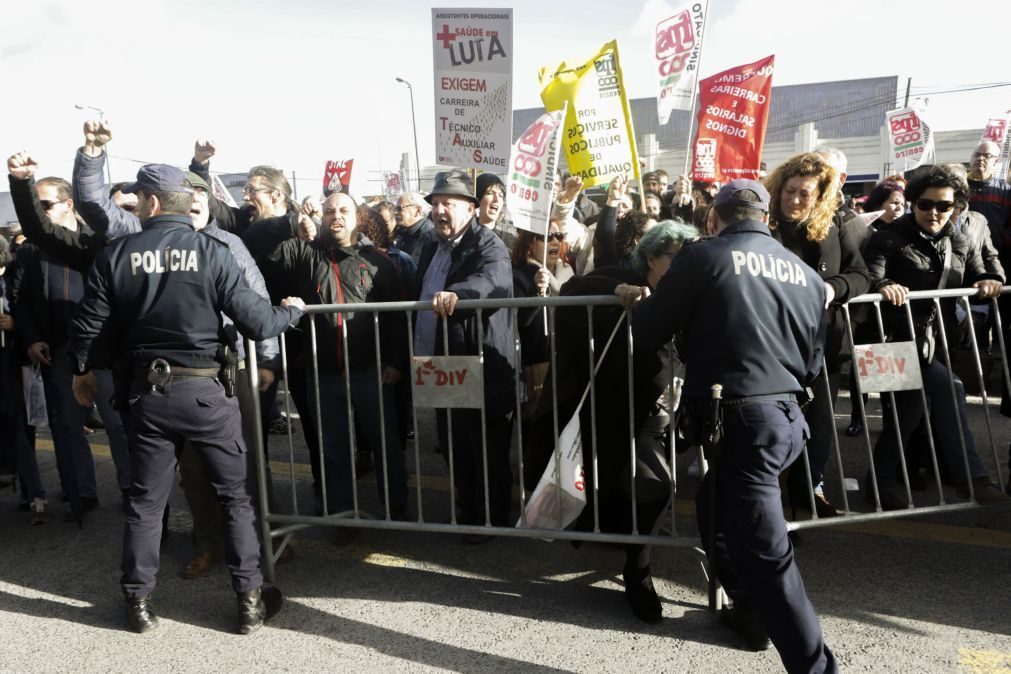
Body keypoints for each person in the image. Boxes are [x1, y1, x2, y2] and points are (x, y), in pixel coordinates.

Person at [63, 162, 305, 634]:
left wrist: (82, 373)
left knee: (145, 503)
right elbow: (257, 322)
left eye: (137, 199)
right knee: (235, 498)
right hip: (206, 394)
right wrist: (289, 314)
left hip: (145, 396)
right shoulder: (211, 251)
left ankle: (137, 603)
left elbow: (87, 327)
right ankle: (250, 601)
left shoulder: (119, 254)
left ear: (152, 203)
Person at [629, 180, 837, 672]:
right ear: (765, 217)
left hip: (746, 425)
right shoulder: (805, 274)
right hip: (784, 418)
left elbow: (649, 329)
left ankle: (815, 667)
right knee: (714, 510)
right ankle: (749, 609)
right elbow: (813, 361)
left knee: (770, 559)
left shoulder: (705, 257)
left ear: (714, 217)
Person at [244, 191, 410, 537]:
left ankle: (397, 507)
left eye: (344, 210)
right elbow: (258, 243)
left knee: (385, 441)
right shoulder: (303, 253)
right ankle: (341, 518)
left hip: (372, 370)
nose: (336, 215)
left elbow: (397, 318)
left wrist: (395, 361)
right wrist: (291, 221)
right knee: (333, 448)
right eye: (329, 210)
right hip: (324, 373)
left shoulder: (378, 261)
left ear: (357, 217)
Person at [862, 164, 1008, 510]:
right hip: (890, 342)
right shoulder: (889, 237)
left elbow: (984, 266)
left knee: (905, 419)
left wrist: (989, 278)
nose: (934, 212)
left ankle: (878, 486)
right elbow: (869, 274)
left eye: (944, 206)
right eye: (925, 204)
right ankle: (972, 478)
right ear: (913, 202)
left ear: (956, 207)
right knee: (948, 391)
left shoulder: (957, 239)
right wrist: (884, 285)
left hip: (933, 342)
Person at [765, 152, 870, 518]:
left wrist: (832, 288)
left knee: (820, 427)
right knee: (777, 427)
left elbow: (861, 275)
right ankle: (772, 504)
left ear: (820, 195)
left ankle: (808, 494)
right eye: (789, 191)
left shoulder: (835, 225)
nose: (794, 200)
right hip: (775, 346)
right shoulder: (764, 226)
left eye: (804, 193)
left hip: (824, 345)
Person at [414, 169, 515, 538]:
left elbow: (494, 281)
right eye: (435, 203)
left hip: (479, 361)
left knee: (484, 448)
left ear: (471, 209)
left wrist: (461, 294)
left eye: (448, 204)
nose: (439, 211)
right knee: (454, 444)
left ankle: (491, 519)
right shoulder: (430, 244)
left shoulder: (488, 245)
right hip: (443, 362)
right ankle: (469, 510)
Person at [393, 191, 433, 263]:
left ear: (417, 210)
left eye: (400, 208)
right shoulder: (404, 232)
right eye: (395, 209)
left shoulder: (430, 236)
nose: (395, 213)